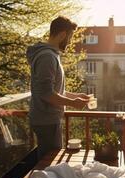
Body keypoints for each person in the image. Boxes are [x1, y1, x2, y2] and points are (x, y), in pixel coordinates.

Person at [26, 16, 89, 159]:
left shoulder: (50, 55)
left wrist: (76, 96)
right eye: (70, 37)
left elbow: (55, 91)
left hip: (48, 120)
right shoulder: (47, 57)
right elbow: (46, 94)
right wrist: (73, 103)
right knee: (49, 164)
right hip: (46, 121)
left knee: (49, 163)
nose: (70, 41)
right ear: (62, 35)